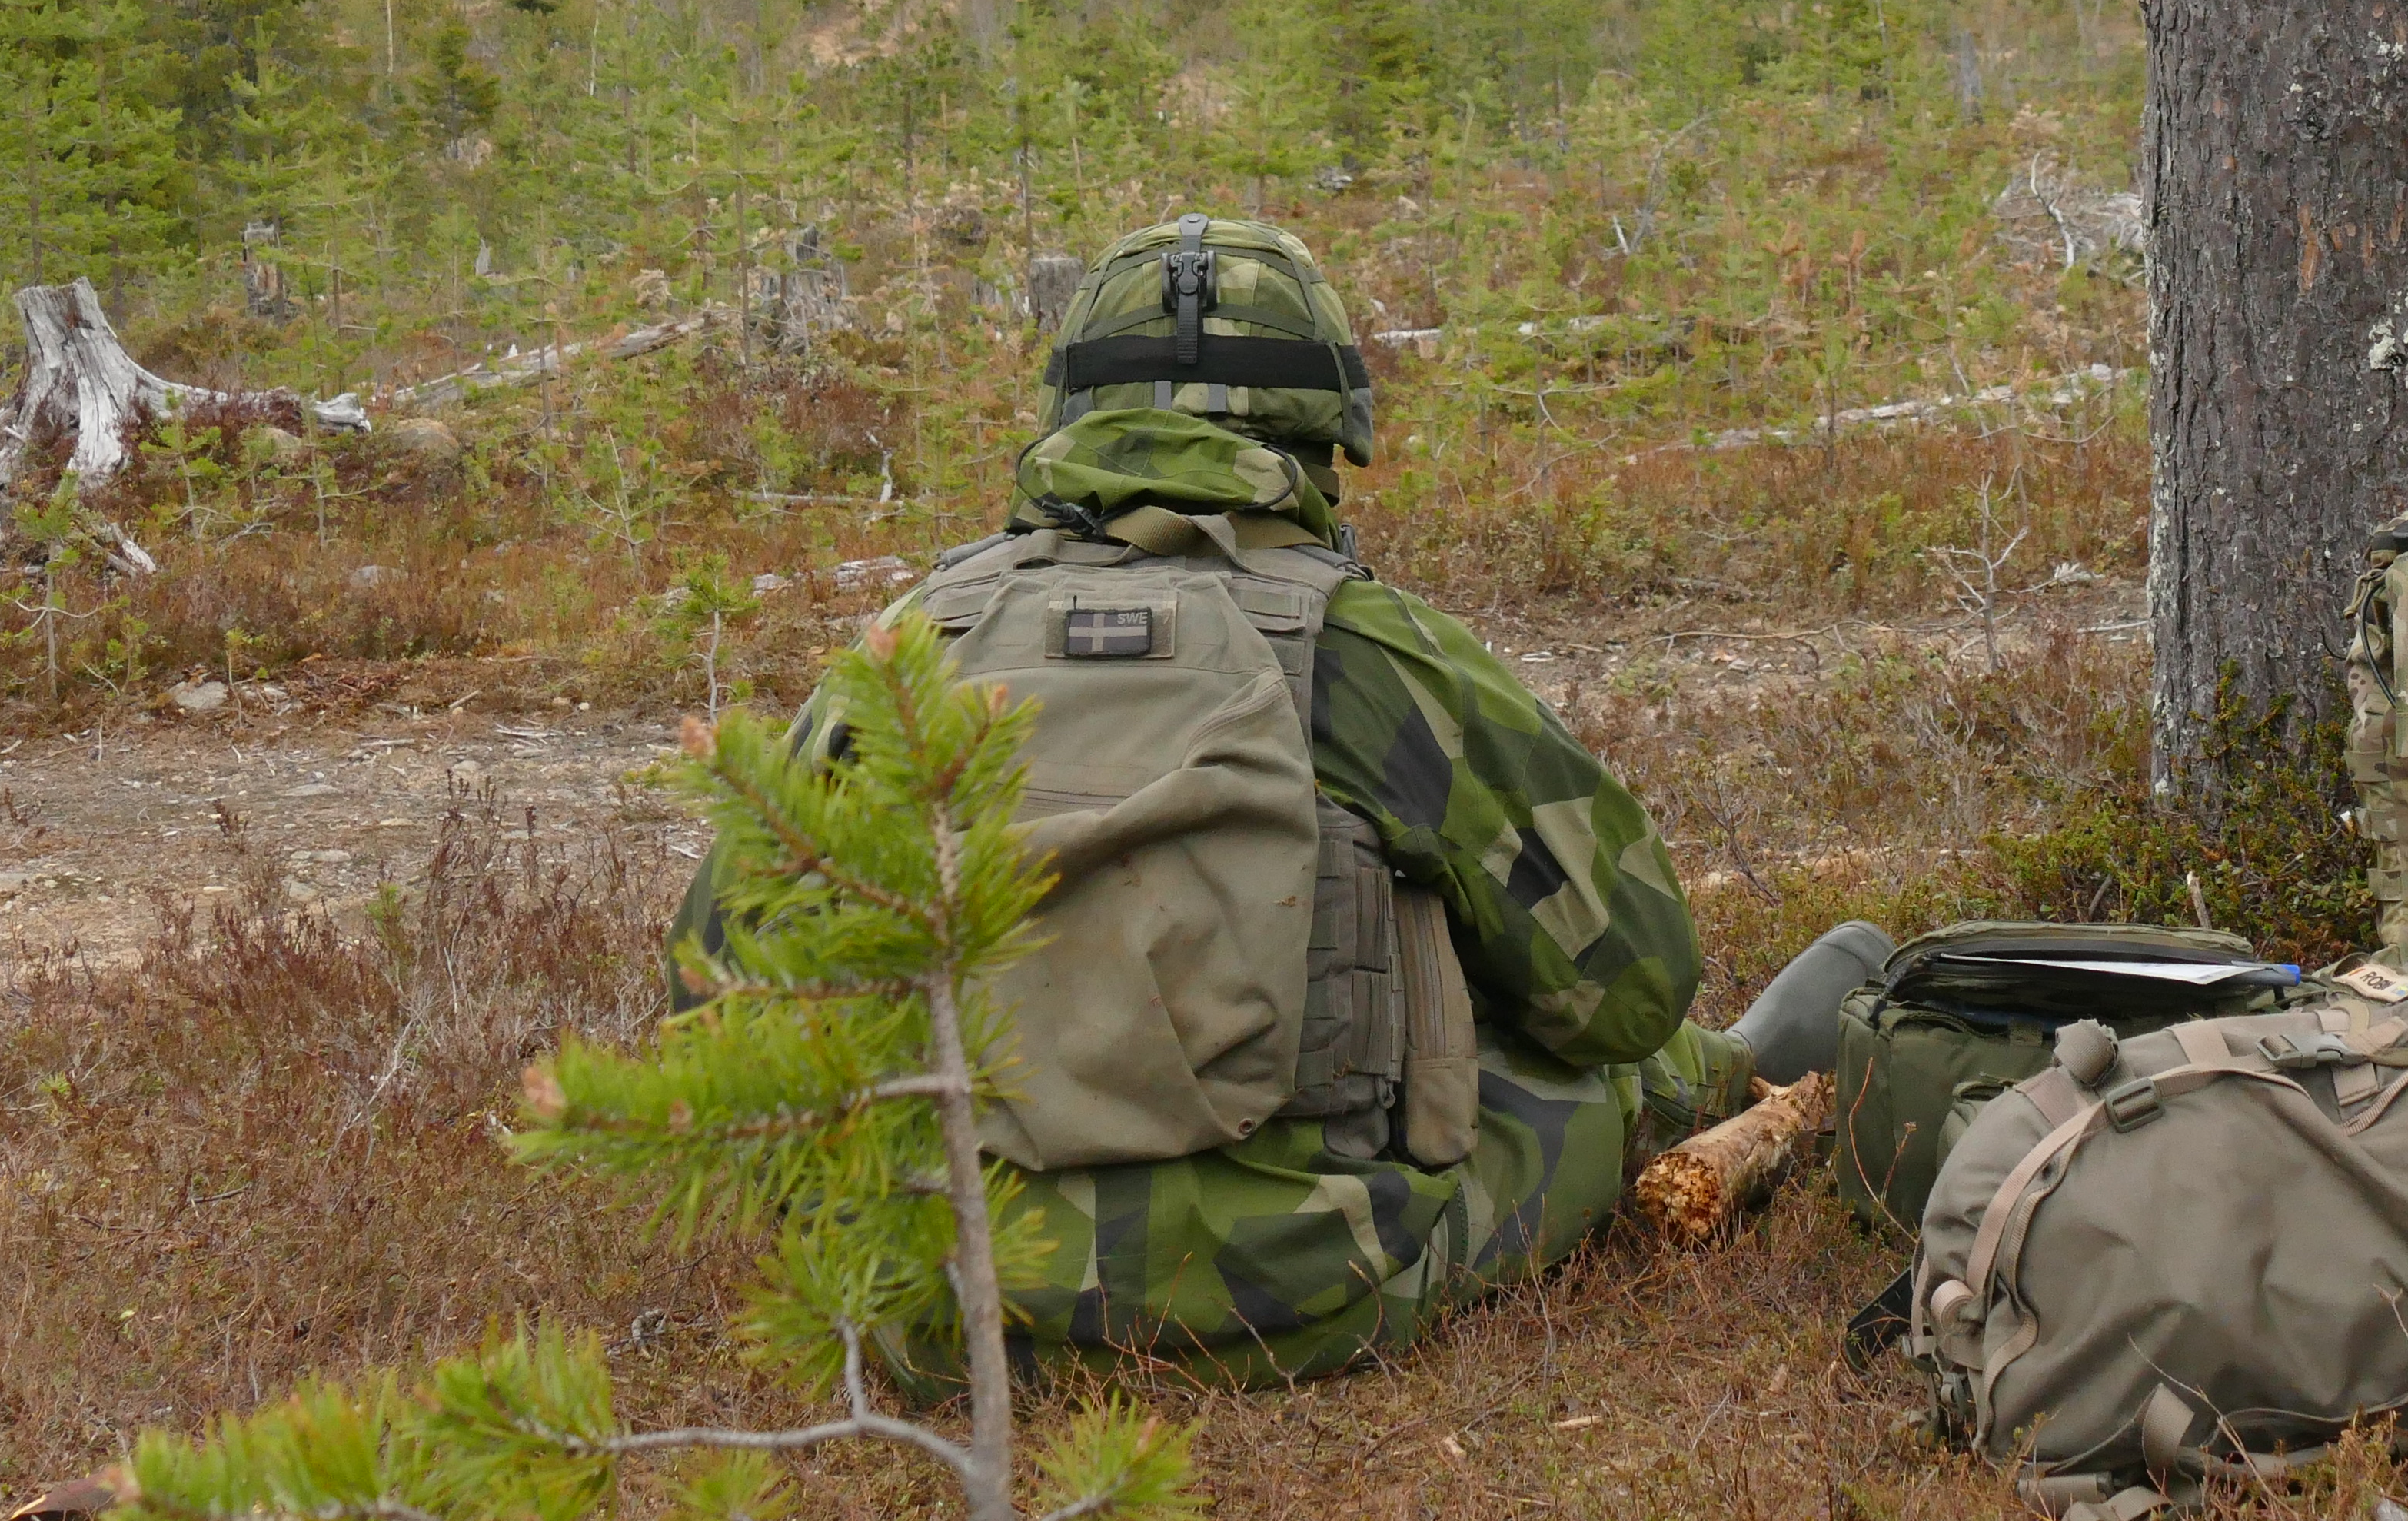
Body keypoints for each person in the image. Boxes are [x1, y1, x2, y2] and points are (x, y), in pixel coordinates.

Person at [690, 211, 1887, 1383]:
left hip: (934, 1291)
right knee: (1596, 1074)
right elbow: (1626, 990)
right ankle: (1732, 1068)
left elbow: (713, 991)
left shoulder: (909, 648)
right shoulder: (1363, 647)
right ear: (1324, 426)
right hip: (1294, 1285)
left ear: (1074, 408)